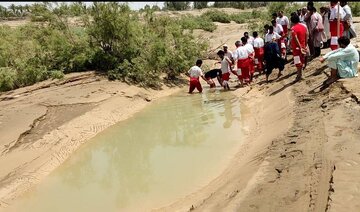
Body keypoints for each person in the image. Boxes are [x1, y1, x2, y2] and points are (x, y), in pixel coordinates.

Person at [291, 14, 308, 81]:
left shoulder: (293, 28)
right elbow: (307, 36)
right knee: (301, 60)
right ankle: (300, 75)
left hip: (297, 48)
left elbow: (295, 38)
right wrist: (305, 45)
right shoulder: (304, 27)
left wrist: (300, 47)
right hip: (303, 46)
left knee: (297, 62)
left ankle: (299, 75)